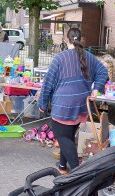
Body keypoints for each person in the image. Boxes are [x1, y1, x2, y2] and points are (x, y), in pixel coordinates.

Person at [37, 27, 108, 174]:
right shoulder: (89, 56)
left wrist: (42, 104)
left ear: (66, 39)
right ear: (80, 39)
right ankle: (63, 167)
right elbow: (103, 71)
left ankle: (77, 173)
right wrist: (96, 89)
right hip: (81, 105)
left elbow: (48, 83)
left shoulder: (60, 58)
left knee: (62, 137)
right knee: (68, 136)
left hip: (64, 105)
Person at [99, 54, 115, 126]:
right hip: (100, 94)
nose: (100, 64)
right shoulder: (99, 71)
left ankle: (112, 125)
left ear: (109, 63)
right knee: (93, 102)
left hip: (111, 95)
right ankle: (93, 122)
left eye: (102, 63)